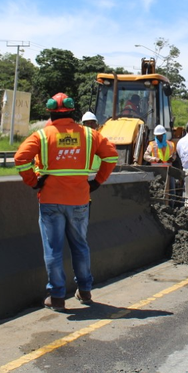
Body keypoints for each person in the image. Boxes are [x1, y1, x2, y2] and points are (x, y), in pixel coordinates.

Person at [14, 93, 118, 311]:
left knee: (53, 249)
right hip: (80, 199)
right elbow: (111, 156)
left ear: (51, 113)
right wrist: (97, 181)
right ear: (73, 112)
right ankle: (86, 291)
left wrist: (33, 181)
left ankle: (57, 297)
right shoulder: (89, 135)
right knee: (80, 245)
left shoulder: (42, 136)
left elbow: (20, 158)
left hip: (50, 200)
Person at [145, 124, 180, 196]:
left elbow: (174, 155)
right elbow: (145, 156)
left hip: (169, 171)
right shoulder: (152, 145)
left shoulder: (171, 144)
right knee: (156, 191)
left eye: (161, 136)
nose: (159, 138)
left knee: (171, 192)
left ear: (164, 135)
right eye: (158, 136)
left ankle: (171, 205)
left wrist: (172, 158)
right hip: (156, 172)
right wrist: (154, 159)